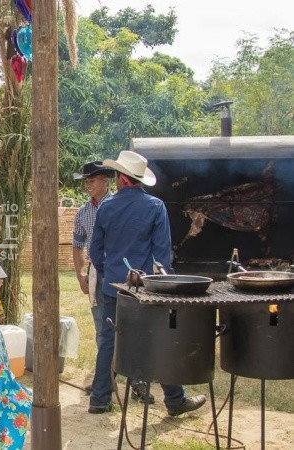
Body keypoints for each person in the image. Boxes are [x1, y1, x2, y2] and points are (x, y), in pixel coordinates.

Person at [88, 151, 206, 416]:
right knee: (158, 340)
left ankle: (99, 400)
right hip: (145, 289)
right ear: (137, 179)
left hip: (112, 288)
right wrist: (166, 285)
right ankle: (175, 400)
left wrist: (108, 273)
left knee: (109, 341)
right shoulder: (155, 206)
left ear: (120, 178)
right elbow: (162, 254)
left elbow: (95, 251)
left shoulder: (106, 207)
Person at [71, 161, 120, 396]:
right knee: (102, 326)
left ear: (105, 181)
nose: (87, 186)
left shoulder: (118, 206)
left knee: (130, 327)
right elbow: (77, 245)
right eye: (86, 182)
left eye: (91, 181)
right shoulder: (83, 212)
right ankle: (105, 379)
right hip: (96, 273)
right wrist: (80, 272)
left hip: (120, 272)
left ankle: (138, 381)